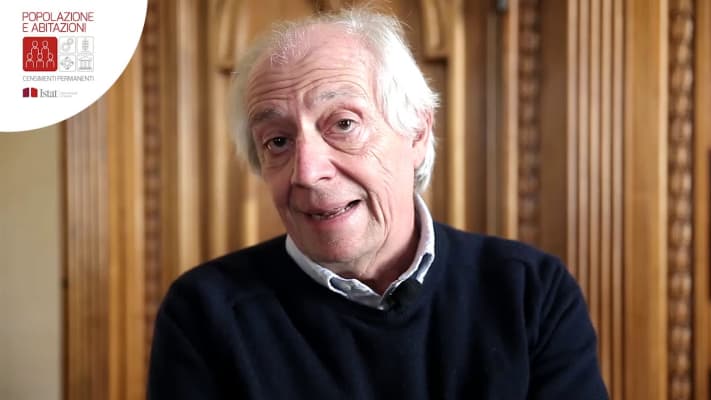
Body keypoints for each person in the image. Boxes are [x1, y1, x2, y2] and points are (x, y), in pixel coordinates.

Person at [148, 8, 608, 399]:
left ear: (417, 133)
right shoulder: (204, 313)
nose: (307, 172)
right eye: (278, 141)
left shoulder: (530, 293)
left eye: (343, 124)